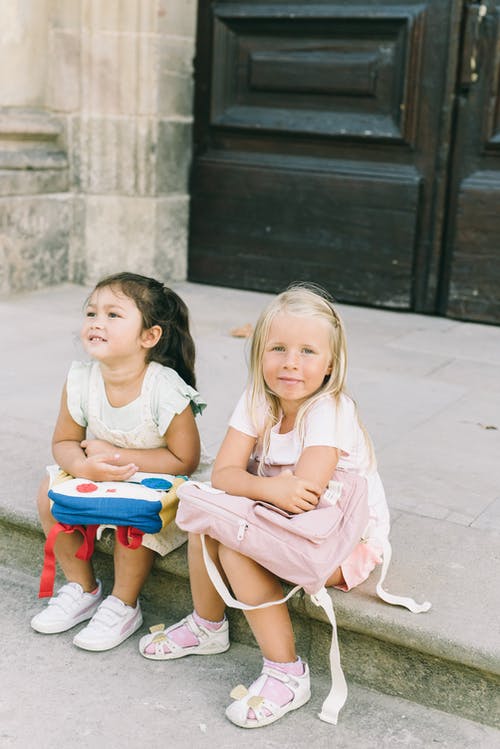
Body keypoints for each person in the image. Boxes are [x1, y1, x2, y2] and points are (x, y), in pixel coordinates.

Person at [138, 283, 390, 727]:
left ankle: (287, 672)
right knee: (206, 522)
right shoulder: (258, 398)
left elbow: (305, 497)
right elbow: (225, 475)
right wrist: (269, 490)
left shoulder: (330, 410)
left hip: (336, 537)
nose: (290, 362)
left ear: (330, 364)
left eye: (308, 351)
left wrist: (256, 493)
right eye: (277, 348)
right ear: (258, 354)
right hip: (276, 512)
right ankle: (207, 625)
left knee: (235, 543)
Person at [30, 272, 205, 651]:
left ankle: (124, 603)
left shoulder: (165, 387)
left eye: (113, 315)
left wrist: (117, 457)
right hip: (97, 473)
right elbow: (63, 441)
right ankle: (83, 587)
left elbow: (184, 459)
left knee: (133, 515)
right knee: (49, 493)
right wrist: (81, 467)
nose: (96, 322)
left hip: (154, 481)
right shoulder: (80, 380)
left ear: (149, 336)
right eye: (91, 312)